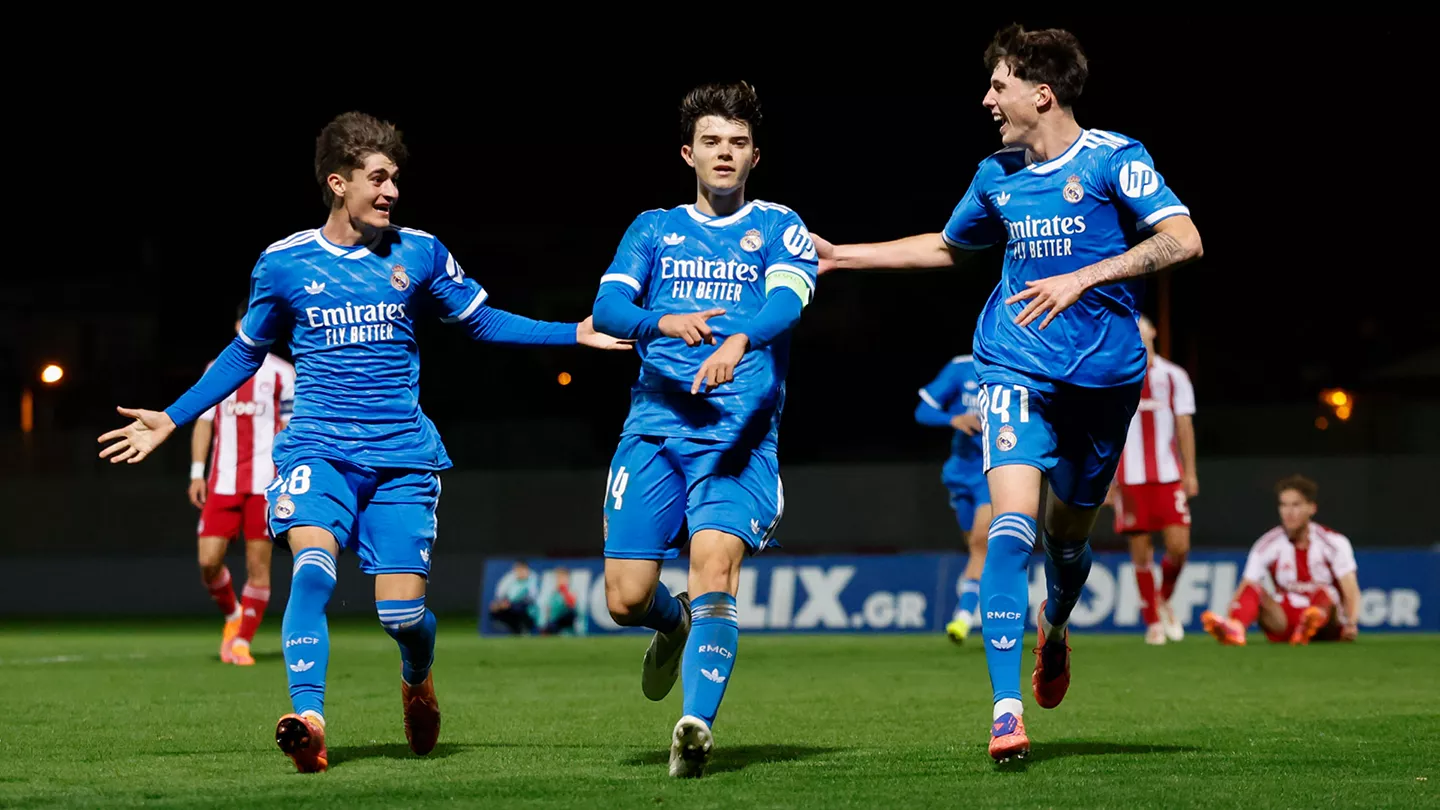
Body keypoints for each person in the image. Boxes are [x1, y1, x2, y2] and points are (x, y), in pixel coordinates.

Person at [98, 111, 630, 773]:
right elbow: (243, 355)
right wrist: (174, 418)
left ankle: (417, 673)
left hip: (403, 458)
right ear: (337, 183)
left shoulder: (422, 253)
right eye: (377, 179)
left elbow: (482, 322)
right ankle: (309, 718)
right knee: (313, 571)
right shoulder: (285, 263)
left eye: (395, 179)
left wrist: (570, 334)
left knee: (402, 616)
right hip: (315, 451)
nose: (391, 191)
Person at [812, 23, 1203, 763]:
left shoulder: (1117, 159)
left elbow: (1184, 239)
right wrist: (847, 255)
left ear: (1041, 92)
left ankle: (1054, 632)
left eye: (999, 84)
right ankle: (1003, 711)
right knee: (1010, 530)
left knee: (1067, 542)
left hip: (1106, 384)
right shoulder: (995, 173)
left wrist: (1085, 276)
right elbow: (951, 247)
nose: (987, 98)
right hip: (1015, 370)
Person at [590, 80, 818, 778]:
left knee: (714, 565)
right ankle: (672, 621)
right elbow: (606, 309)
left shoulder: (781, 225)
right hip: (654, 430)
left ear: (756, 156)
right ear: (688, 153)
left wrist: (737, 341)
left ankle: (695, 726)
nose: (725, 153)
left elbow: (785, 301)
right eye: (712, 142)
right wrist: (658, 321)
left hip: (737, 436)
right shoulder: (652, 229)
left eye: (738, 143)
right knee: (625, 599)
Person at [190, 302, 295, 666]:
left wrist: (288, 478)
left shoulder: (283, 373)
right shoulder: (217, 369)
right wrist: (196, 472)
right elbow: (204, 421)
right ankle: (234, 615)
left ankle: (241, 642)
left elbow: (291, 429)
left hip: (265, 485)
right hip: (222, 482)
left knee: (258, 565)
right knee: (208, 561)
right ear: (238, 325)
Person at [1107, 314, 1198, 645]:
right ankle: (1152, 622)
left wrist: (1190, 472)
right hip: (1129, 479)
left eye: (1142, 326)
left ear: (1153, 331)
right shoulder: (1115, 375)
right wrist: (1107, 480)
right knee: (1140, 552)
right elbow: (1107, 432)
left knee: (1179, 548)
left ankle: (1163, 600)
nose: (1138, 332)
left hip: (1168, 476)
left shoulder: (1174, 376)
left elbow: (1184, 425)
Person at [1201, 475, 1360, 645]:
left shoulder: (1333, 542)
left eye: (1296, 505)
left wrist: (1351, 623)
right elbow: (1245, 588)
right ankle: (1235, 629)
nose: (1288, 512)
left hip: (1327, 623)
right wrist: (1232, 615)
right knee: (1254, 588)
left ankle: (1309, 624)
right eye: (1283, 505)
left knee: (1324, 593)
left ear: (1312, 508)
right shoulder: (1267, 544)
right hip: (1285, 621)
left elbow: (1350, 589)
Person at [913, 353, 992, 644]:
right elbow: (922, 412)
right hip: (961, 472)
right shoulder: (961, 368)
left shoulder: (1019, 364)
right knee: (974, 546)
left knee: (980, 542)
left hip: (995, 470)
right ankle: (981, 601)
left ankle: (964, 615)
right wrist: (954, 418)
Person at [489, 560, 539, 635]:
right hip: (510, 605)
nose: (519, 572)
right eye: (517, 570)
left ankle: (524, 629)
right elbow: (500, 594)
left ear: (526, 570)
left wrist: (511, 604)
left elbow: (532, 597)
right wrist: (500, 603)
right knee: (495, 608)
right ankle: (513, 629)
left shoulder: (533, 578)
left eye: (521, 570)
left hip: (528, 607)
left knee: (518, 608)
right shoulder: (510, 577)